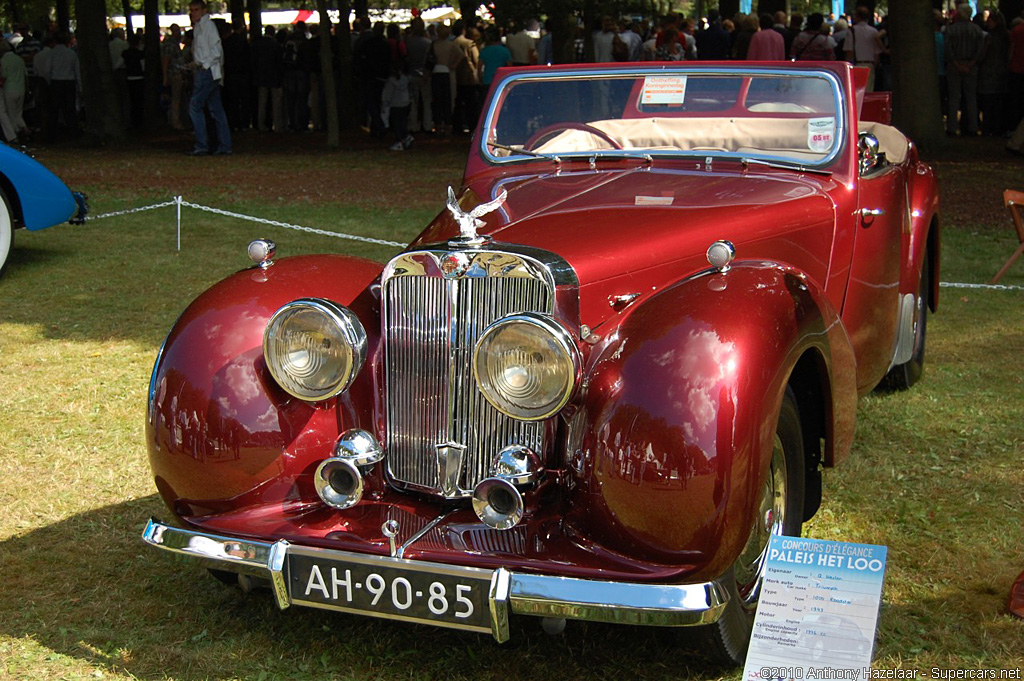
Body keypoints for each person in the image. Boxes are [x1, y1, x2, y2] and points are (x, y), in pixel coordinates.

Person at [186, 0, 231, 155]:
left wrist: (203, 64)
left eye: (196, 9)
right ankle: (223, 145)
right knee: (216, 109)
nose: (193, 13)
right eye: (191, 10)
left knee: (195, 106)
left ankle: (202, 145)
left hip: (207, 71)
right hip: (208, 70)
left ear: (204, 10)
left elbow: (216, 52)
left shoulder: (207, 27)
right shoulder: (200, 27)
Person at [944, 3, 985, 136]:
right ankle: (973, 127)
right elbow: (980, 51)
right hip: (971, 66)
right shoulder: (977, 30)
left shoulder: (951, 30)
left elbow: (948, 50)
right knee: (971, 98)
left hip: (954, 66)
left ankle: (952, 128)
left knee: (954, 98)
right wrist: (971, 64)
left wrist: (957, 64)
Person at [844, 6, 884, 91]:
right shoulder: (874, 31)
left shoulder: (851, 31)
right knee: (869, 91)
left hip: (856, 65)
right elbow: (876, 53)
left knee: (856, 92)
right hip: (870, 65)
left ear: (857, 16)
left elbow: (849, 51)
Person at [381, 61, 412, 151]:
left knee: (396, 124)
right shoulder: (406, 79)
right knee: (402, 122)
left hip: (395, 104)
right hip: (405, 103)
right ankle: (406, 137)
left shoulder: (391, 81)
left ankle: (399, 141)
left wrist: (385, 103)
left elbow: (387, 94)